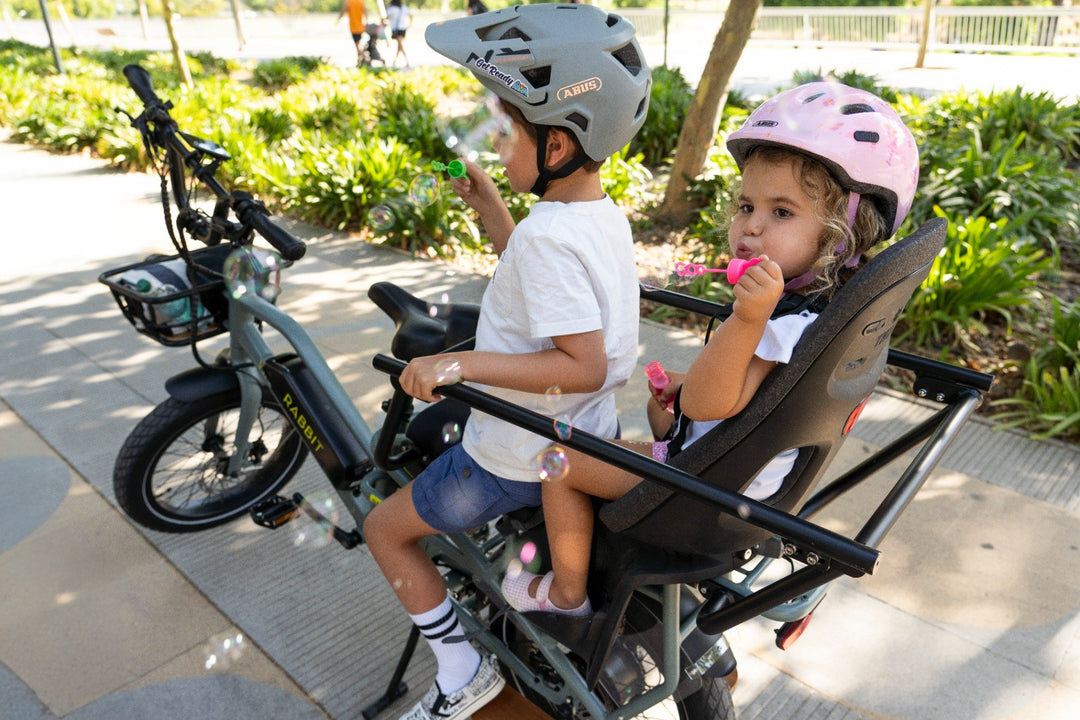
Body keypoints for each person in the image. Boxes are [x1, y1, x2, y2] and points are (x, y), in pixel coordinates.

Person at [500, 81, 921, 617]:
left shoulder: (775, 322)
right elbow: (734, 395)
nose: (750, 226)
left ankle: (565, 594)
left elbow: (707, 405)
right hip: (727, 474)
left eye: (782, 213)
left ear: (843, 233)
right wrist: (684, 387)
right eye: (747, 205)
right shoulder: (818, 313)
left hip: (700, 494)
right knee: (647, 419)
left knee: (558, 461)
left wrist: (745, 320)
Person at [361, 5, 652, 720]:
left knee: (383, 529)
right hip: (579, 438)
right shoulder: (595, 215)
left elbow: (580, 362)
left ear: (557, 144)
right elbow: (543, 296)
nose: (495, 142)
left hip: (512, 458)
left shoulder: (548, 239)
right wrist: (496, 209)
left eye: (506, 131)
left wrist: (460, 367)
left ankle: (461, 672)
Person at [336, 0, 368, 67]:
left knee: (357, 45)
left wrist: (338, 19)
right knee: (358, 43)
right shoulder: (360, 1)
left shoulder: (348, 1)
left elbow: (343, 11)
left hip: (354, 27)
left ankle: (365, 57)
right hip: (361, 26)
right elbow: (365, 12)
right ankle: (359, 61)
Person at [386, 0, 411, 68]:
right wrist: (410, 24)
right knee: (399, 45)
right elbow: (411, 15)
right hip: (403, 28)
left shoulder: (391, 8)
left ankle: (407, 61)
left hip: (396, 29)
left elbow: (386, 17)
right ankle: (395, 61)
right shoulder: (403, 7)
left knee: (400, 45)